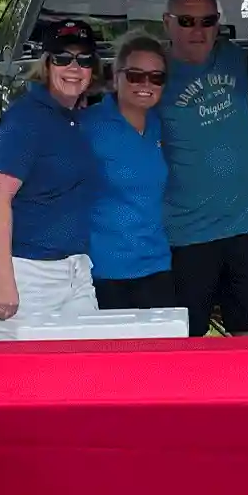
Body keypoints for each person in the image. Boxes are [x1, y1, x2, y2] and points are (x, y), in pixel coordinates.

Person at [158, 0, 248, 337]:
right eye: (186, 21)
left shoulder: (237, 59)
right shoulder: (151, 76)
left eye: (208, 21)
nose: (198, 31)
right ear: (167, 22)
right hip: (186, 234)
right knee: (185, 342)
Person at [0, 20, 101, 336]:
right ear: (46, 63)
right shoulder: (25, 120)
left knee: (83, 370)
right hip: (24, 271)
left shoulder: (76, 117)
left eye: (84, 60)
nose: (74, 67)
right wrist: (4, 280)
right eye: (63, 58)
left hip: (74, 270)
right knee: (16, 378)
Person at [78, 31, 177, 310]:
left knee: (161, 352)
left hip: (156, 265)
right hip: (104, 270)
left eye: (156, 77)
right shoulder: (87, 126)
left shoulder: (161, 124)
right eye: (135, 75)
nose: (146, 84)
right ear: (115, 75)